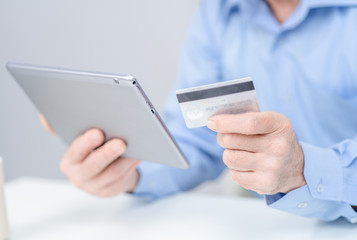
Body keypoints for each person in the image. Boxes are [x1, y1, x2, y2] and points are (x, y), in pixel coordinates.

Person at [41, 0, 357, 223]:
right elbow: (201, 135)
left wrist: (303, 170)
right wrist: (131, 171)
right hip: (262, 224)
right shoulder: (218, 8)